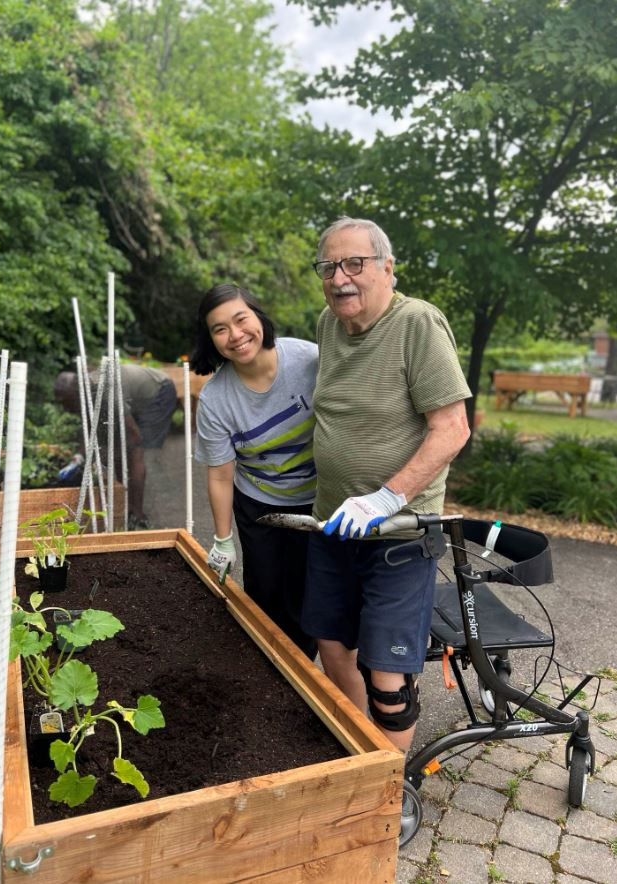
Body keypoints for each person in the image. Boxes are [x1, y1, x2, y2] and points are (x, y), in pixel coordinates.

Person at [300, 217, 471, 754]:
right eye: (329, 267)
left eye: (355, 263)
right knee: (331, 644)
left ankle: (387, 797)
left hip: (399, 532)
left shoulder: (418, 323)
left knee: (388, 675)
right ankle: (363, 755)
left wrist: (386, 496)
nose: (340, 278)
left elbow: (453, 429)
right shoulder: (329, 325)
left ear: (388, 268)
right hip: (332, 525)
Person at [191, 283, 318, 660]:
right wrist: (222, 538)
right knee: (265, 596)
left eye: (240, 319)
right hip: (260, 505)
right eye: (220, 329)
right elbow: (219, 475)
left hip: (319, 501)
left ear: (258, 317)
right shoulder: (216, 399)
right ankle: (271, 669)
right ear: (211, 340)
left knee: (310, 596)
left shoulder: (309, 360)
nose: (235, 335)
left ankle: (306, 676)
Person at [54, 363, 177, 529]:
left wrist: (117, 450)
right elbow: (90, 426)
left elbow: (134, 434)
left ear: (74, 393)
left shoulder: (104, 389)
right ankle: (125, 505)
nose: (64, 407)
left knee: (136, 452)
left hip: (159, 392)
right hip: (135, 398)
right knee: (120, 450)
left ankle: (137, 515)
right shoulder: (87, 391)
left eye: (64, 401)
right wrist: (78, 457)